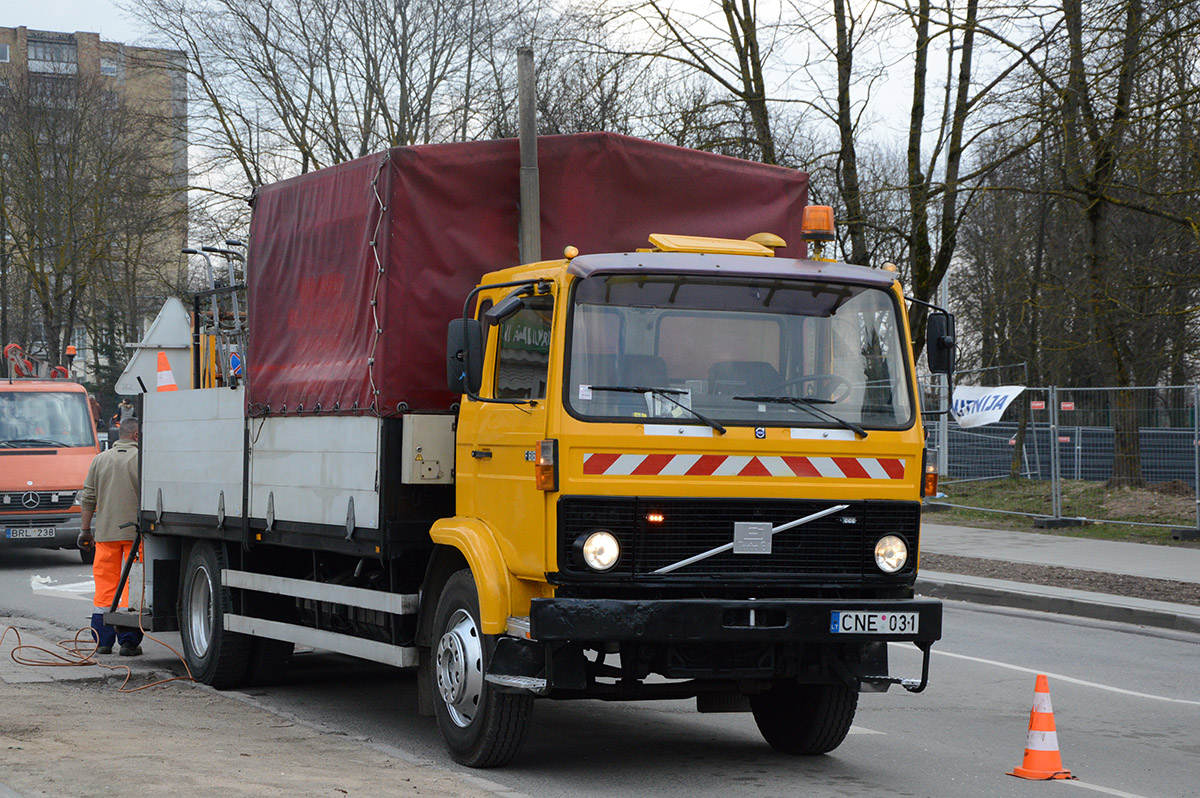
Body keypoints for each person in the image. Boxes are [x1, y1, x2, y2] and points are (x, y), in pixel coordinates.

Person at [77, 417, 144, 656]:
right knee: (130, 588)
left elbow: (88, 497)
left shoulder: (100, 459)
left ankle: (103, 641)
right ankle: (128, 642)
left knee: (105, 588)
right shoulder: (143, 459)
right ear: (137, 436)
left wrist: (85, 531)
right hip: (136, 536)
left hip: (105, 535)